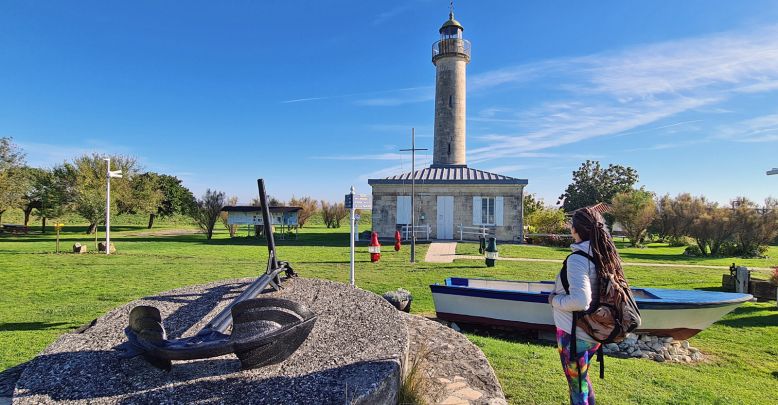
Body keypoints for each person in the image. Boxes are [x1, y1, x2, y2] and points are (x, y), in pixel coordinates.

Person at [547, 207, 622, 405]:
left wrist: (554, 300)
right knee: (581, 380)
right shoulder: (602, 255)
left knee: (577, 386)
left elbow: (581, 301)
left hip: (574, 334)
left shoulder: (578, 260)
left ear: (575, 229)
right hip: (593, 331)